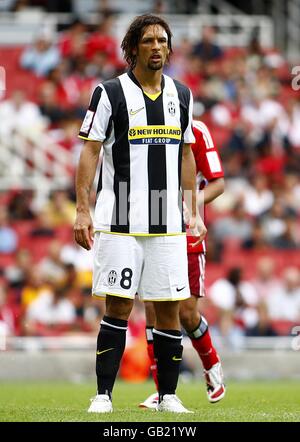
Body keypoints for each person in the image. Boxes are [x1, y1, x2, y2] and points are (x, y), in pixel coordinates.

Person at [74, 14, 206, 414]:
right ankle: (103, 395)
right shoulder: (109, 92)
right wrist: (83, 209)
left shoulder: (182, 95)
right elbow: (91, 151)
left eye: (162, 40)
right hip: (120, 220)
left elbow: (186, 153)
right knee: (118, 304)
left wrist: (192, 210)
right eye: (147, 40)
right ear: (132, 48)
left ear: (169, 47)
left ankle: (168, 396)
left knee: (168, 307)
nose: (156, 46)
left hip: (166, 222)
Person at [139, 119, 226, 409]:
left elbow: (219, 183)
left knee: (187, 314)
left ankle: (211, 365)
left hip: (186, 232)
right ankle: (162, 391)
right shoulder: (144, 125)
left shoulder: (196, 129)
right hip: (151, 226)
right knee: (152, 307)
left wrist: (189, 204)